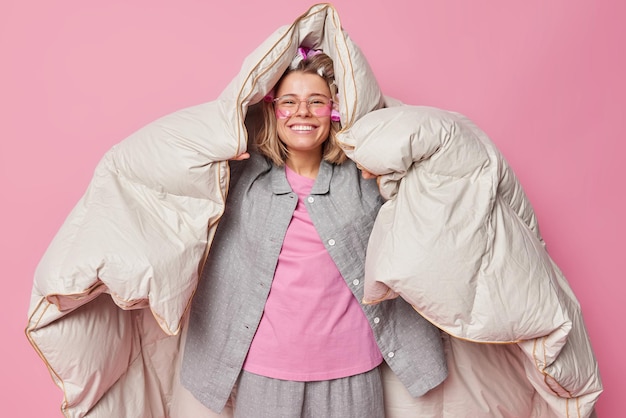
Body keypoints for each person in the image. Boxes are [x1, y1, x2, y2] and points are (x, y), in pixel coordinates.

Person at [180, 49, 448, 418]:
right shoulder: (241, 179)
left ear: (334, 112)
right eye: (288, 102)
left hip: (351, 368)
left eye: (316, 102)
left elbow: (429, 156)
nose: (302, 112)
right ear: (273, 112)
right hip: (265, 369)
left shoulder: (367, 176)